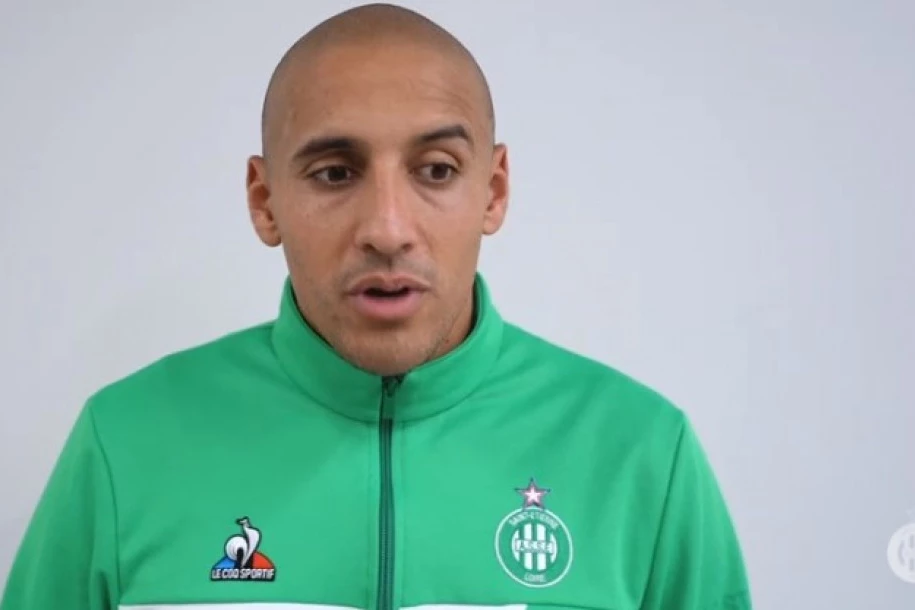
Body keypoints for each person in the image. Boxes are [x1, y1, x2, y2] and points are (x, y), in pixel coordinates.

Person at [1, 3, 752, 609]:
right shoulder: (124, 442)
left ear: (493, 191)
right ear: (265, 201)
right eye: (334, 173)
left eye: (436, 170)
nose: (387, 229)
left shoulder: (641, 453)